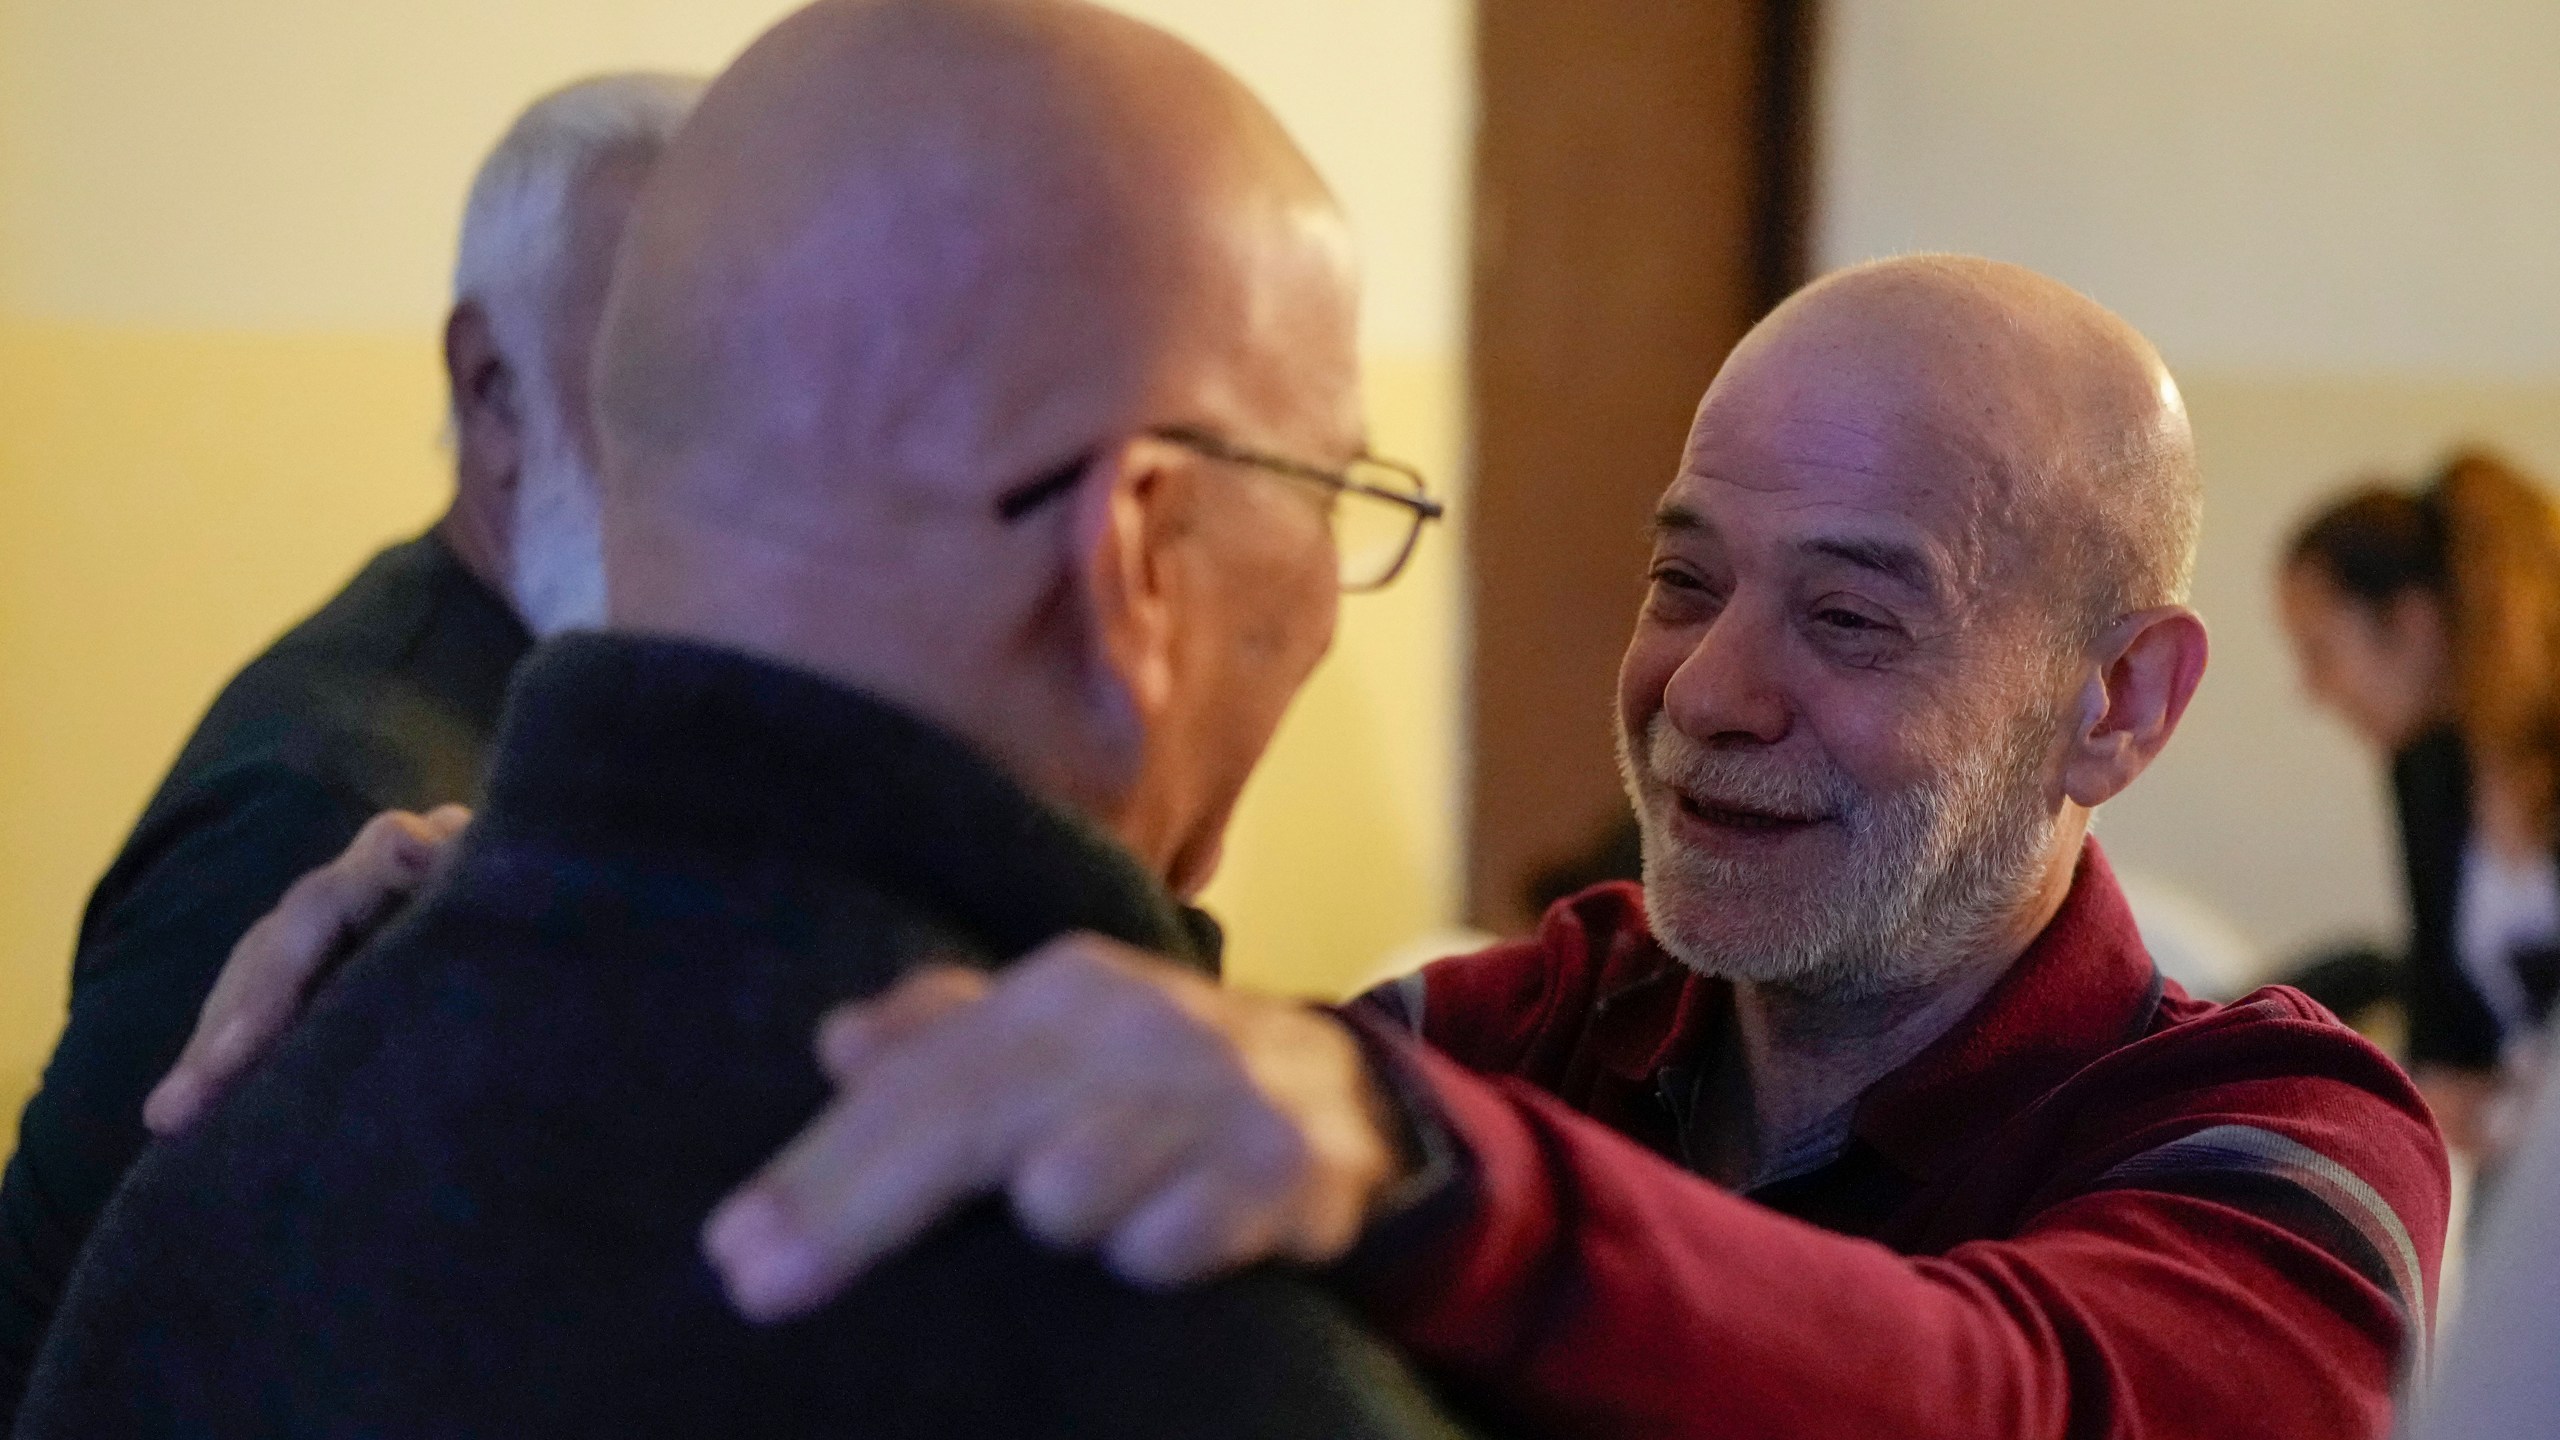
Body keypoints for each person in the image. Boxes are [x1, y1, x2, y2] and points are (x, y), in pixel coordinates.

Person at [176, 256, 2451, 1437]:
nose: (1708, 686)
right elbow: (1046, 1079)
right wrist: (566, 912)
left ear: (2117, 703)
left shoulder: (2286, 1137)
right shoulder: (1544, 1015)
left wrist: (1411, 1158)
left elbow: (2010, 1399)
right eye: (1680, 576)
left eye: (1850, 611)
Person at [16, 2, 1464, 1435]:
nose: (1333, 601)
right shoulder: (1187, 1329)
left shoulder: (255, 1125)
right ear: (1139, 556)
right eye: (1333, 500)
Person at [0, 69, 700, 1422]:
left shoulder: (545, 704)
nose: (747, 450)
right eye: (673, 370)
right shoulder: (338, 809)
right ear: (490, 388)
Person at [2280, 452, 2560, 1164]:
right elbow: (2447, 1032)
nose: (2313, 691)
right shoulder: (2426, 777)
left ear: (2411, 622)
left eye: (2320, 652)